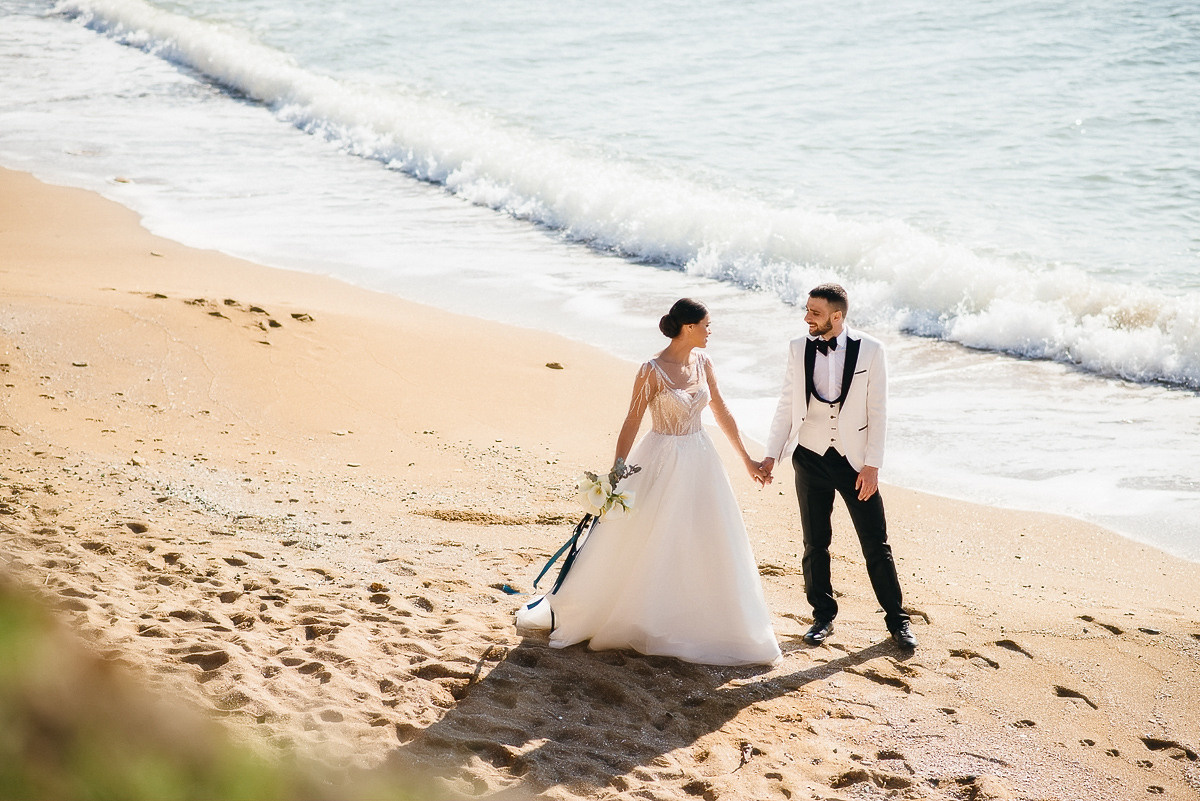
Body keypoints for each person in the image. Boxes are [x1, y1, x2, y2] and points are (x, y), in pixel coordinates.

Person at [516, 298, 780, 666]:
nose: (710, 331)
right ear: (688, 327)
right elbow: (631, 421)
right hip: (659, 460)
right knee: (646, 537)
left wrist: (747, 460)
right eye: (706, 325)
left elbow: (720, 411)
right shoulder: (651, 370)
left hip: (701, 459)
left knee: (705, 537)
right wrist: (616, 471)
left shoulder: (704, 363)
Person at [759, 284, 917, 650]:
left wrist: (872, 466)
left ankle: (898, 621)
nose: (806, 318)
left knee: (875, 543)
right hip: (810, 456)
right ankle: (823, 617)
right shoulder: (798, 348)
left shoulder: (872, 351)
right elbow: (787, 405)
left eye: (814, 312)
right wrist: (772, 455)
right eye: (807, 310)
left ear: (837, 315)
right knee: (815, 542)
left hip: (855, 463)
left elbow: (879, 412)